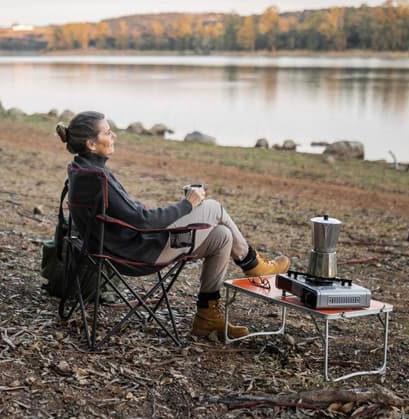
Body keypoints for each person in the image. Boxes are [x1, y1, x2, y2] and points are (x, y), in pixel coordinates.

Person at [57, 111, 290, 339]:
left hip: (115, 246)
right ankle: (253, 266)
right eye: (107, 132)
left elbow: (129, 213)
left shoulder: (81, 169)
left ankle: (207, 317)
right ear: (91, 144)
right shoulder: (99, 178)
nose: (114, 135)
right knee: (213, 207)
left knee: (222, 237)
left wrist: (163, 210)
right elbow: (143, 221)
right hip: (138, 253)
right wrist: (186, 205)